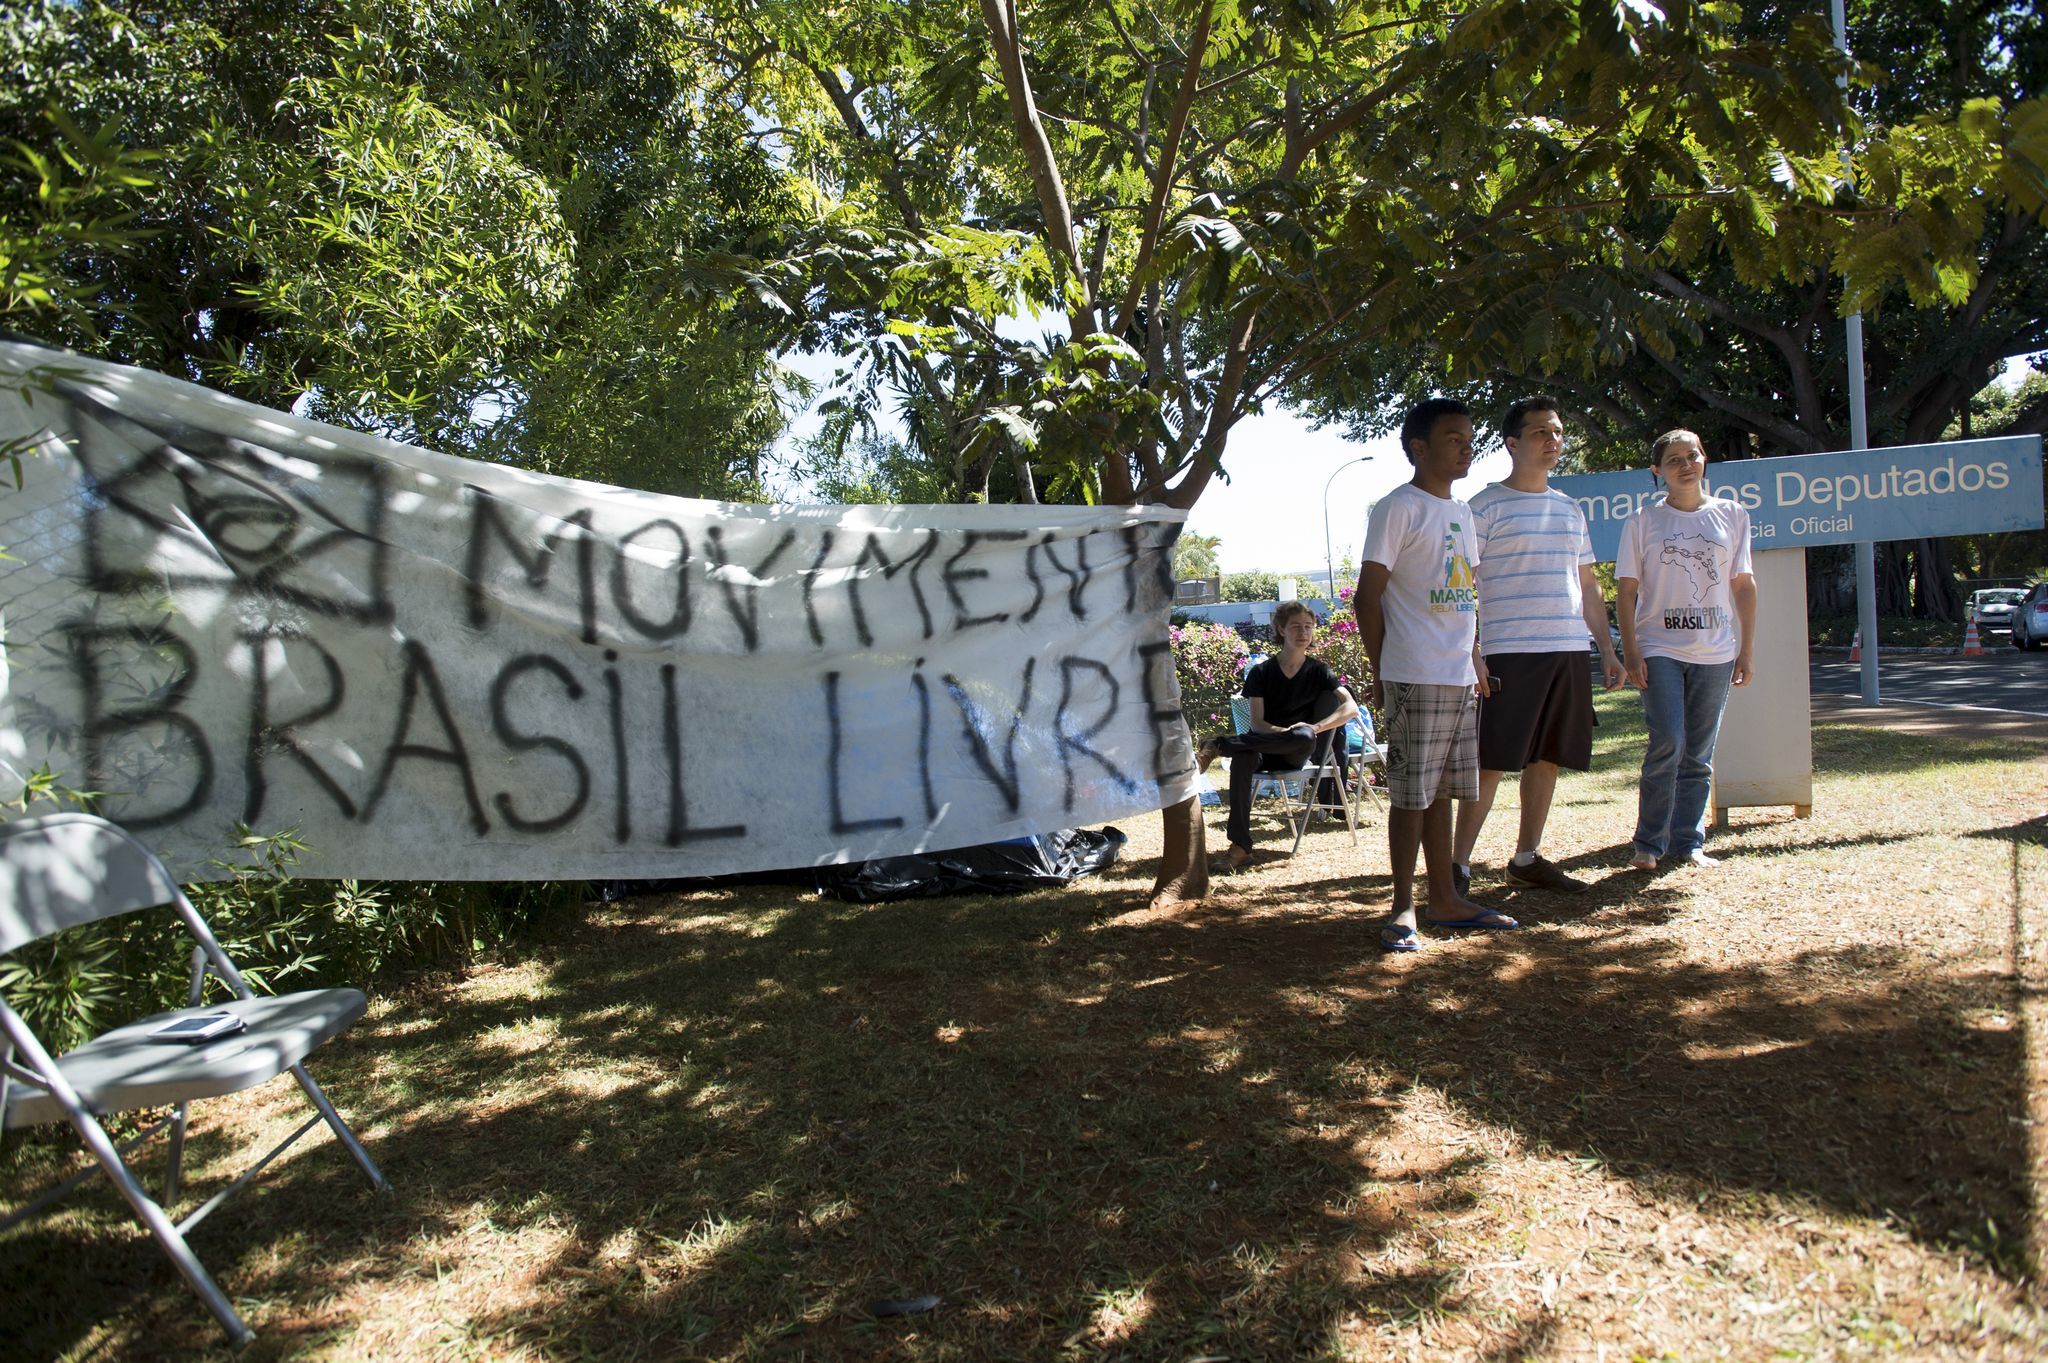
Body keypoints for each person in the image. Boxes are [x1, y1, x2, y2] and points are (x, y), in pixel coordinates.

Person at [1354, 397, 1517, 952]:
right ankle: (1403, 907)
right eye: (1453, 438)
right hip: (1413, 673)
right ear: (1418, 448)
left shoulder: (1463, 513)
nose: (1467, 447)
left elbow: (1464, 593)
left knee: (1442, 791)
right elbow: (1367, 598)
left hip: (1458, 675)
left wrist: (1474, 657)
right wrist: (1382, 672)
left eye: (1470, 438)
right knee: (1410, 795)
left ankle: (1445, 898)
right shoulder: (1397, 507)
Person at [1452, 396, 1625, 894]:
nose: (1552, 441)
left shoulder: (1570, 508)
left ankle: (1526, 858)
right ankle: (1457, 866)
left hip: (1568, 650)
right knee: (1493, 761)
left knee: (1547, 756)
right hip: (1510, 651)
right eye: (1540, 433)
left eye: (1557, 432)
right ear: (1512, 442)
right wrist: (1472, 651)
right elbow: (1460, 586)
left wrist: (1607, 649)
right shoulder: (1482, 507)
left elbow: (1588, 585)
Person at [1615, 428, 1757, 869]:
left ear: (1704, 458)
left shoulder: (1732, 514)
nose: (1685, 464)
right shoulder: (1643, 522)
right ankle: (1648, 844)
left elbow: (1743, 585)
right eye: (1674, 459)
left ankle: (1688, 843)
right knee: (1668, 742)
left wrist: (1746, 650)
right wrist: (1632, 652)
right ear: (1657, 471)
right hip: (1659, 647)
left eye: (1692, 455)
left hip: (1716, 652)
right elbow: (1625, 592)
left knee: (1698, 752)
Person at [1196, 601, 1359, 871]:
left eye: (1308, 627)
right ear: (1280, 629)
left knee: (1305, 736)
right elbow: (1258, 725)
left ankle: (1219, 744)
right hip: (1262, 746)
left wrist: (1314, 728)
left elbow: (1350, 707)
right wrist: (1284, 732)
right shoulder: (1262, 672)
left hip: (1295, 751)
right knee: (1243, 759)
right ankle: (1240, 848)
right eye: (1296, 626)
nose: (1303, 633)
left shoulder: (1319, 671)